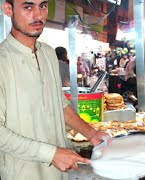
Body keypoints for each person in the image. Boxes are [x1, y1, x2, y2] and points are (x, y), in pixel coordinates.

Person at [0, 0, 110, 179]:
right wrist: (51, 154)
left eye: (42, 6)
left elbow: (60, 104)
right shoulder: (2, 61)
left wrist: (91, 134)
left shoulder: (48, 54)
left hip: (60, 172)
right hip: (22, 173)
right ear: (8, 9)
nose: (38, 15)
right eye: (28, 7)